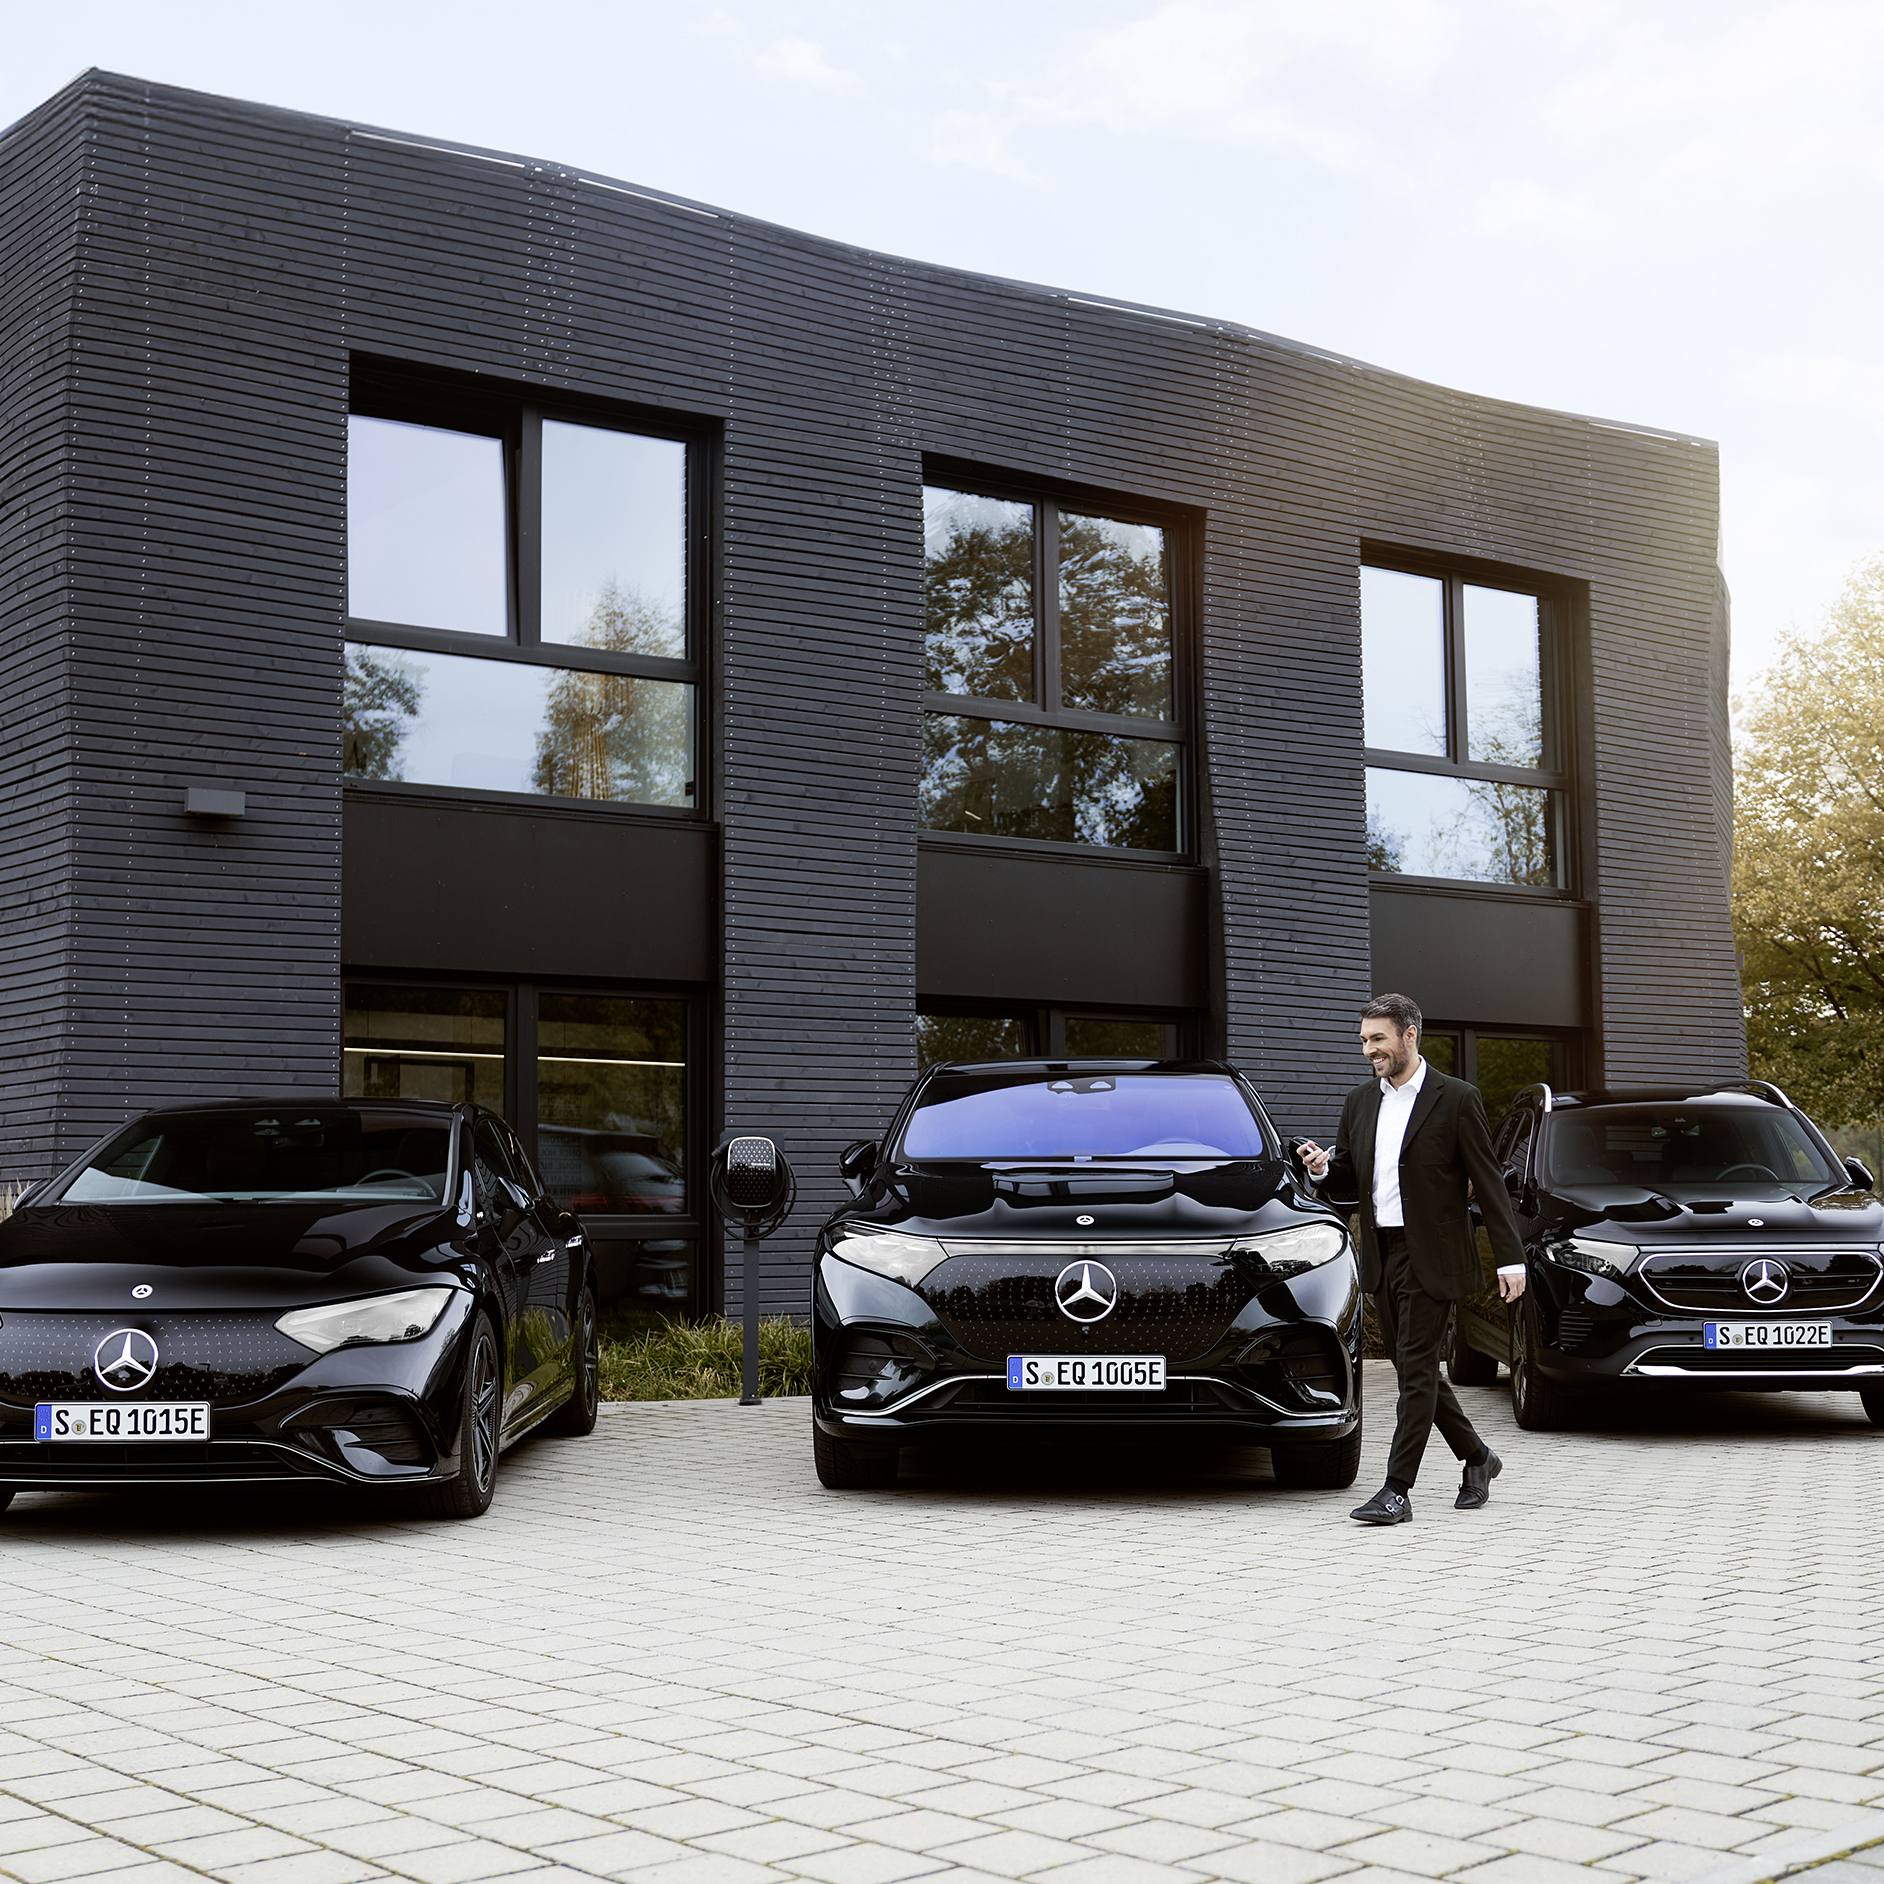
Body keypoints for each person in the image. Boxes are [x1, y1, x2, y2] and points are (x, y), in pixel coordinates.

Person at [1296, 993, 1527, 1525]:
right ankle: (1478, 1456)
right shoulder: (1359, 1102)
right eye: (1363, 1041)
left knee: (1416, 1374)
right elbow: (1349, 1181)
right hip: (1382, 1253)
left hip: (1434, 1256)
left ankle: (1396, 1490)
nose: (1368, 1050)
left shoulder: (1457, 1098)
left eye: (1377, 1038)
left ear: (1409, 1035)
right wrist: (1323, 1170)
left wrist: (1510, 1259)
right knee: (1413, 1369)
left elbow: (1488, 1182)